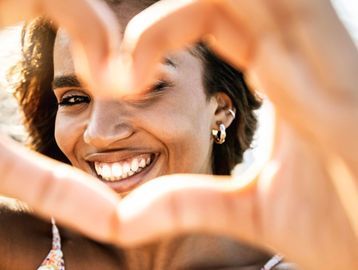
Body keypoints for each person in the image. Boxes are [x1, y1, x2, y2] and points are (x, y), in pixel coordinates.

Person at [0, 0, 357, 269]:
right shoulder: (14, 241)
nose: (100, 133)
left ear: (221, 108)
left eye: (144, 89)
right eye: (75, 99)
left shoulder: (317, 254)